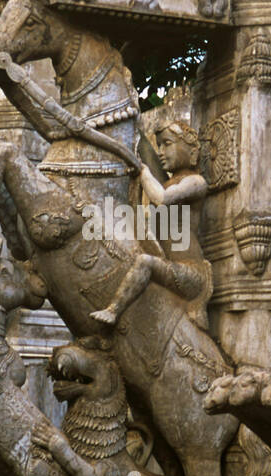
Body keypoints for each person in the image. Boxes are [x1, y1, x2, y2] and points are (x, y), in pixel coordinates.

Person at [90, 120, 212, 330]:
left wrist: (144, 171)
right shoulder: (166, 183)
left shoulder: (196, 182)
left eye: (167, 144)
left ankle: (113, 311)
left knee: (145, 263)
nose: (161, 152)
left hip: (192, 273)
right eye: (159, 145)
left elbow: (162, 198)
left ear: (191, 150)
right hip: (172, 266)